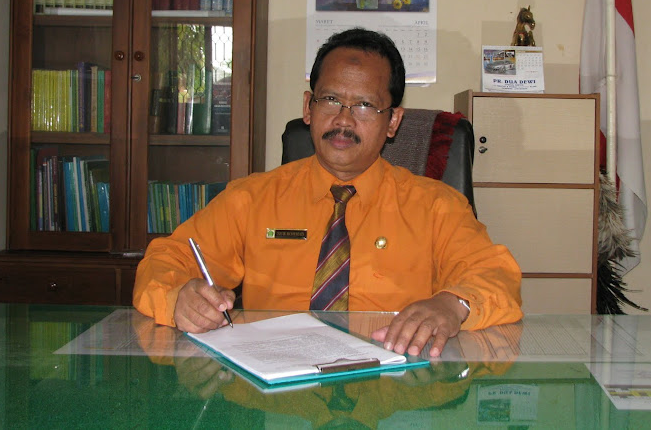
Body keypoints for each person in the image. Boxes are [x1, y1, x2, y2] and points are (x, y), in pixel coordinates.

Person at [133, 27, 522, 357]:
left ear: (393, 122)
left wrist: (452, 304)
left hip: (395, 390)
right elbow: (168, 258)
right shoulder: (251, 199)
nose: (343, 119)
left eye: (366, 105)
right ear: (308, 107)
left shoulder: (437, 206)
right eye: (331, 99)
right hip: (277, 394)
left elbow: (494, 275)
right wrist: (179, 296)